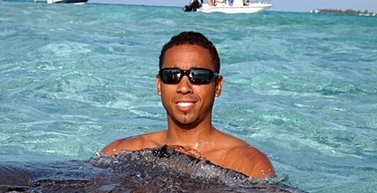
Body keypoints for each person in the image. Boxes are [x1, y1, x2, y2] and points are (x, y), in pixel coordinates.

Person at [100, 31, 275, 179]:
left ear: (218, 86)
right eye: (172, 76)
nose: (184, 87)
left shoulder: (248, 165)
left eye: (198, 76)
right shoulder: (121, 152)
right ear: (159, 85)